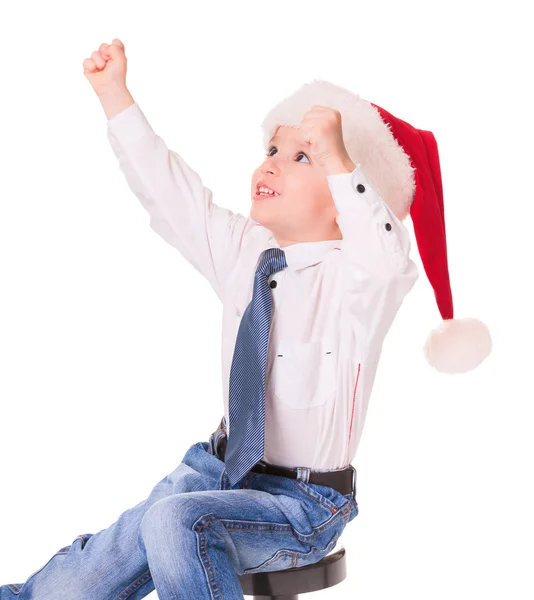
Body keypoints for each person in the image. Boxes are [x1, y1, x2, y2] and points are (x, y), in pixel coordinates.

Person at [1, 38, 491, 600]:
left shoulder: (359, 281)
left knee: (174, 524)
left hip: (302, 504)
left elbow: (385, 257)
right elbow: (172, 194)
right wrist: (116, 97)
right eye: (274, 150)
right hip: (213, 472)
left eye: (301, 157)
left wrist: (338, 157)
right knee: (85, 574)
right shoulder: (246, 252)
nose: (271, 164)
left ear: (348, 191)